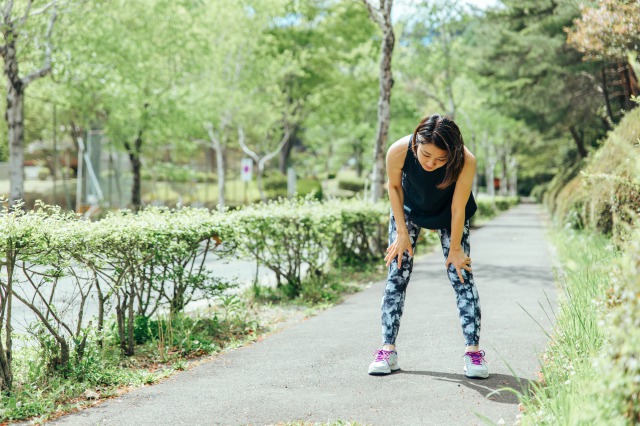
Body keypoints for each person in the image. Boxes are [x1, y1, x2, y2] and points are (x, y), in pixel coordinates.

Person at [367, 114, 489, 379]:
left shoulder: (466, 160)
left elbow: (458, 208)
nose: (431, 163)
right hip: (409, 211)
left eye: (440, 159)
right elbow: (394, 187)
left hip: (450, 212)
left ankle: (473, 352)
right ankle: (388, 350)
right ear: (416, 143)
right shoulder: (399, 150)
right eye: (426, 155)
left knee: (461, 275)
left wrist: (455, 248)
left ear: (452, 154)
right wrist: (402, 232)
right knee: (397, 274)